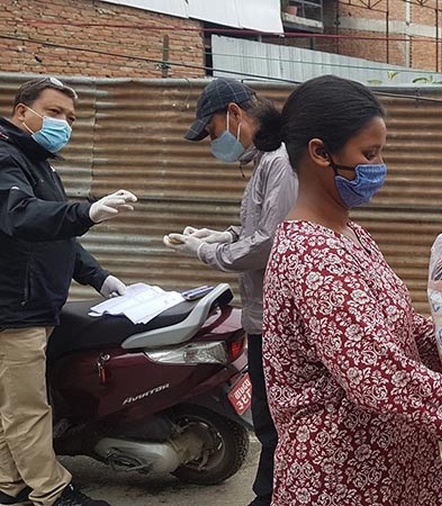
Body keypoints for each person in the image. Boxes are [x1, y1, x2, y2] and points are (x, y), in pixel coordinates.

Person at [257, 75, 442, 506]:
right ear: (320, 153)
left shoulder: (350, 234)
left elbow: (399, 328)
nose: (379, 166)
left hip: (391, 463)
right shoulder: (312, 254)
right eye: (369, 154)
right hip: (343, 476)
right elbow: (376, 374)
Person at [0, 77, 137, 506]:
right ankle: (53, 493)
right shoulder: (5, 158)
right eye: (55, 112)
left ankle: (8, 485)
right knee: (28, 409)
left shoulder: (38, 162)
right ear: (23, 112)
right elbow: (22, 216)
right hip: (12, 310)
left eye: (71, 118)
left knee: (14, 407)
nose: (64, 124)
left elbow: (58, 238)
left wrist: (100, 277)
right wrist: (87, 211)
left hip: (36, 307)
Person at [162, 78, 296, 506]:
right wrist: (220, 235)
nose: (214, 143)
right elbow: (254, 231)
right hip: (262, 313)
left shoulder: (280, 161)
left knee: (274, 420)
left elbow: (269, 243)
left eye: (215, 130)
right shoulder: (265, 162)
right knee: (268, 416)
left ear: (236, 114)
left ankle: (271, 497)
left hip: (276, 318)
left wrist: (206, 252)